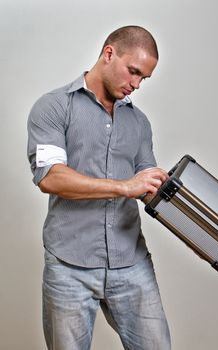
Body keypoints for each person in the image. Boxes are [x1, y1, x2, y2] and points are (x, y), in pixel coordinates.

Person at [27, 25, 171, 350]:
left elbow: (144, 180)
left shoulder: (139, 122)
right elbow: (51, 177)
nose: (135, 85)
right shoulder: (53, 108)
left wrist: (166, 189)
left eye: (143, 79)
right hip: (69, 266)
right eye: (133, 71)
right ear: (109, 53)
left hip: (131, 261)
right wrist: (125, 186)